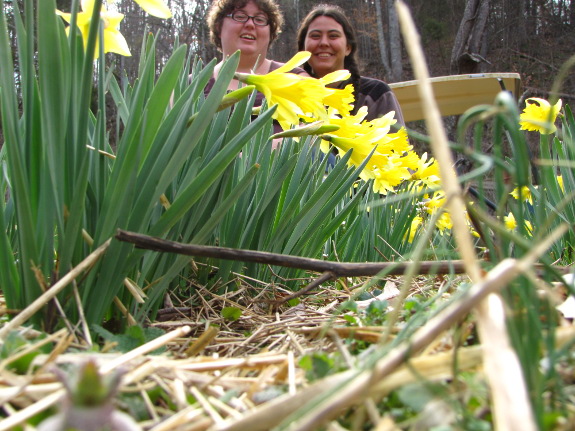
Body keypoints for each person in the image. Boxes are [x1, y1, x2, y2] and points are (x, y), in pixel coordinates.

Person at [296, 4, 405, 125]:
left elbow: (394, 143)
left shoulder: (375, 94)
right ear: (303, 48)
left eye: (333, 36)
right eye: (315, 36)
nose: (324, 43)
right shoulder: (290, 98)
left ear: (348, 47)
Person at [205, 0, 307, 102]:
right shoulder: (193, 85)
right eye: (240, 16)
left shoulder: (295, 78)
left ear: (271, 33)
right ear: (219, 27)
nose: (250, 24)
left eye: (260, 19)